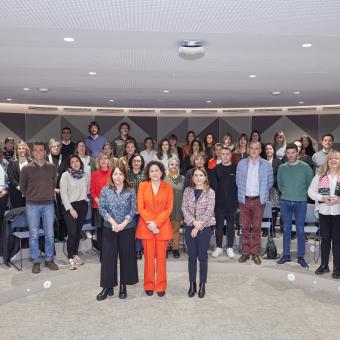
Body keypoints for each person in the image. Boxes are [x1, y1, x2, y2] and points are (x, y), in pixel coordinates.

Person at [97, 163, 138, 300]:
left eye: (120, 174)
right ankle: (107, 286)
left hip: (127, 228)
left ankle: (123, 285)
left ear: (125, 176)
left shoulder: (130, 191)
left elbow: (133, 209)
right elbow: (102, 208)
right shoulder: (105, 190)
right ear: (112, 175)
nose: (118, 176)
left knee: (126, 257)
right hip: (110, 228)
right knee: (108, 258)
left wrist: (124, 223)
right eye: (115, 174)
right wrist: (113, 223)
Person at [19, 142, 59, 274]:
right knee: (34, 235)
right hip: (32, 205)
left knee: (49, 234)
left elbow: (53, 183)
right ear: (32, 152)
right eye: (35, 150)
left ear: (44, 151)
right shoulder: (26, 168)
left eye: (41, 150)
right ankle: (36, 261)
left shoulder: (52, 167)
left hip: (48, 204)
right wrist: (32, 196)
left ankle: (49, 259)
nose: (38, 152)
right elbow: (23, 187)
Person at [136, 161, 173, 297]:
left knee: (162, 259)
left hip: (161, 227)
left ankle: (161, 285)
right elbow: (141, 207)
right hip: (147, 227)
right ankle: (149, 284)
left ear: (161, 172)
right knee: (149, 259)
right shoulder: (143, 186)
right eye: (151, 171)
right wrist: (151, 224)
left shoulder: (167, 187)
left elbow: (169, 208)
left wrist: (156, 223)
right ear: (148, 173)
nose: (154, 173)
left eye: (157, 170)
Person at [276, 143, 313, 269]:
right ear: (286, 154)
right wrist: (287, 193)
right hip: (285, 201)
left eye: (293, 152)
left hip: (300, 202)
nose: (291, 155)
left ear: (297, 153)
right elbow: (279, 185)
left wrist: (299, 195)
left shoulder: (306, 167)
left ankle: (300, 257)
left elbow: (310, 185)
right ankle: (286, 255)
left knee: (300, 231)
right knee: (286, 230)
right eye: (288, 152)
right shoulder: (282, 168)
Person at [236, 141, 273, 265]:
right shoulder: (241, 164)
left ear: (260, 150)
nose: (253, 150)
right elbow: (237, 181)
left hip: (258, 201)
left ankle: (255, 253)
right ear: (248, 149)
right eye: (251, 148)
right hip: (244, 200)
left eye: (256, 148)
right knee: (245, 228)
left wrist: (262, 194)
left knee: (256, 228)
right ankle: (245, 252)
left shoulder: (267, 165)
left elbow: (269, 183)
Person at [182, 167, 215, 298]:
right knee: (191, 257)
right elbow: (184, 208)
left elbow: (209, 211)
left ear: (205, 177)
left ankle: (202, 284)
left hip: (204, 228)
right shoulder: (187, 191)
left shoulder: (210, 192)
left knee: (202, 257)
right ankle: (192, 284)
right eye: (195, 175)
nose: (198, 178)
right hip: (190, 226)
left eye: (201, 175)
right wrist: (193, 222)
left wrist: (198, 226)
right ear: (192, 178)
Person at [308, 151, 340, 278]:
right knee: (325, 240)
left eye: (336, 158)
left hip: (338, 213)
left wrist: (338, 200)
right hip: (324, 213)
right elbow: (310, 191)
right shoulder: (320, 175)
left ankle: (337, 268)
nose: (333, 160)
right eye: (331, 158)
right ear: (327, 161)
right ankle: (324, 265)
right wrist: (321, 198)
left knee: (337, 241)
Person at [60, 155, 90, 270]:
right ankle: (70, 258)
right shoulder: (65, 175)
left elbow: (87, 191)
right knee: (72, 232)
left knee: (78, 232)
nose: (75, 163)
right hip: (69, 206)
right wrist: (70, 209)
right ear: (69, 165)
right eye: (72, 162)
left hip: (82, 205)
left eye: (77, 161)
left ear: (80, 162)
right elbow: (63, 193)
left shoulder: (85, 175)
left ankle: (75, 254)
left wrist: (85, 201)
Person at [211, 147, 238, 258]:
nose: (225, 156)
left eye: (227, 154)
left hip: (232, 204)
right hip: (219, 204)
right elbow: (213, 188)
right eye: (223, 154)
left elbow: (238, 186)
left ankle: (230, 247)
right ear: (219, 155)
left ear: (231, 155)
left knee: (231, 226)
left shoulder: (236, 168)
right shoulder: (216, 169)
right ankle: (219, 247)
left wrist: (237, 203)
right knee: (219, 226)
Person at [90, 152, 112, 254]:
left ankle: (110, 251)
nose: (103, 160)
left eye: (105, 158)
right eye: (101, 159)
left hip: (111, 207)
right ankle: (102, 252)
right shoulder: (94, 175)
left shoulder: (113, 173)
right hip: (98, 206)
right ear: (98, 162)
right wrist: (99, 201)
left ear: (108, 161)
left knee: (110, 229)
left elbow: (115, 190)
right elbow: (92, 191)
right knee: (100, 230)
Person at [46, 138, 67, 241]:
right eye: (54, 146)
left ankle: (61, 236)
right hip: (48, 191)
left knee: (62, 214)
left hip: (62, 191)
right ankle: (52, 236)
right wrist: (53, 188)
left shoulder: (65, 159)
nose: (56, 148)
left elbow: (68, 174)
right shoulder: (45, 159)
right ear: (50, 147)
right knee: (50, 214)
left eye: (58, 146)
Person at [165, 157, 185, 258]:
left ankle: (175, 248)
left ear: (179, 167)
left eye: (176, 164)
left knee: (176, 230)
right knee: (165, 229)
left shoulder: (183, 178)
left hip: (178, 208)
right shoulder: (164, 178)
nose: (174, 166)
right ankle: (166, 248)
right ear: (168, 166)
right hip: (166, 209)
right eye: (172, 164)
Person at [127, 153, 145, 260]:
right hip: (129, 206)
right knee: (130, 229)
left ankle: (138, 250)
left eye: (138, 161)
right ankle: (130, 249)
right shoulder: (126, 174)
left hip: (142, 207)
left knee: (139, 229)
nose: (136, 163)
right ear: (131, 162)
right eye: (134, 161)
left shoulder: (145, 175)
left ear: (141, 163)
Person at [264, 143, 281, 237]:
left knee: (273, 209)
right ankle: (265, 230)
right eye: (267, 149)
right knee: (265, 208)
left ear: (273, 150)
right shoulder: (261, 161)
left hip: (274, 188)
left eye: (270, 149)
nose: (268, 151)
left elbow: (279, 174)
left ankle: (272, 228)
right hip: (263, 188)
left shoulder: (278, 161)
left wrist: (270, 183)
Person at [7, 141, 32, 208]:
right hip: (17, 193)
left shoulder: (31, 161)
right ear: (16, 150)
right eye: (19, 148)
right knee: (18, 215)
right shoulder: (12, 161)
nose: (21, 150)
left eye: (23, 148)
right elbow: (11, 177)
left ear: (26, 150)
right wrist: (20, 188)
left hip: (30, 193)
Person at [0, 149, 9, 233]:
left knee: (1, 217)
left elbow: (9, 178)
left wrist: (5, 191)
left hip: (3, 194)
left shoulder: (5, 163)